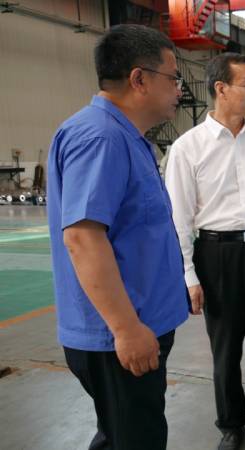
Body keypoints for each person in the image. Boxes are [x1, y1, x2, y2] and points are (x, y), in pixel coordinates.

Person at [46, 24, 188, 450]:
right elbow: (83, 238)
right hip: (119, 335)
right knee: (136, 439)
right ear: (139, 79)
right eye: (173, 78)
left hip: (137, 325)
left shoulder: (127, 137)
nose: (179, 89)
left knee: (120, 435)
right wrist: (126, 329)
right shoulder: (101, 137)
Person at [165, 53, 245, 450]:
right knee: (225, 348)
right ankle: (231, 425)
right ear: (220, 88)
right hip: (216, 255)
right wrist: (188, 275)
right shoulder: (188, 147)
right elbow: (179, 217)